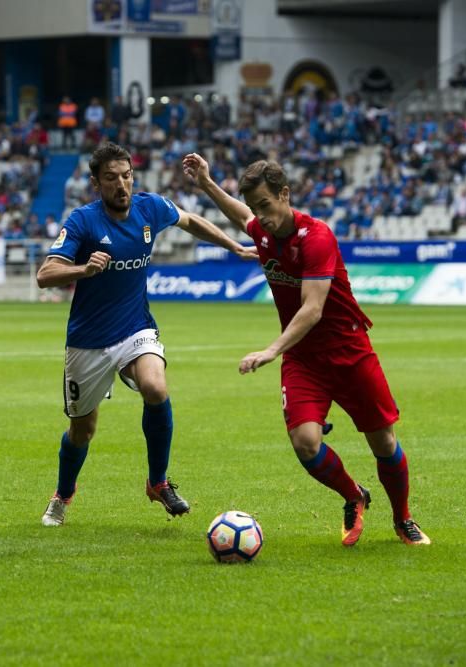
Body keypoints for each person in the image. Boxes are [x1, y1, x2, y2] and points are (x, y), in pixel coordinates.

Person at [183, 152, 431, 547]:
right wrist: (208, 185)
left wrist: (270, 350)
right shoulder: (262, 229)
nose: (260, 216)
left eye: (265, 205)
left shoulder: (316, 237)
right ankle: (354, 495)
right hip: (304, 359)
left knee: (382, 441)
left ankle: (403, 519)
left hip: (348, 351)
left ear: (285, 194)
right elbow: (240, 216)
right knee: (305, 443)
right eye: (255, 207)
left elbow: (312, 309)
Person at [36, 142, 256, 527]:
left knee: (156, 387)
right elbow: (45, 274)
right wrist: (83, 270)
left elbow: (189, 221)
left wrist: (233, 246)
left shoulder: (149, 207)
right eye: (111, 178)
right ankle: (63, 494)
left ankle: (158, 482)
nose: (121, 185)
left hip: (136, 327)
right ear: (95, 183)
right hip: (88, 341)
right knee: (82, 430)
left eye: (126, 176)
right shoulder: (83, 221)